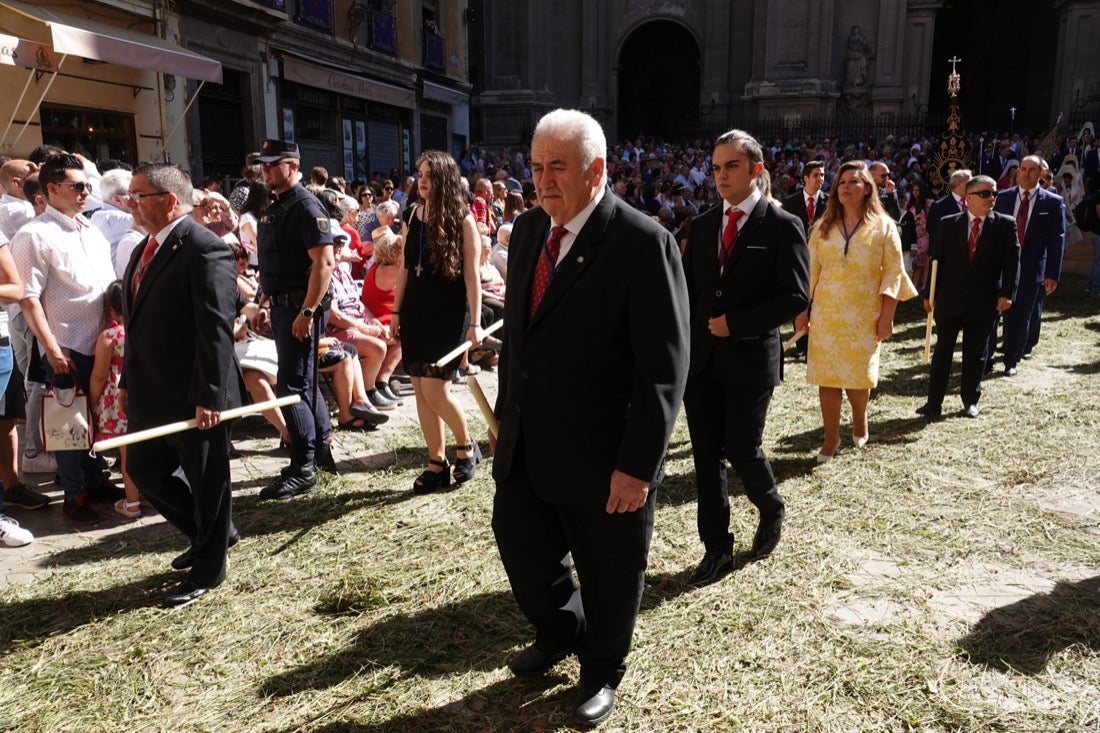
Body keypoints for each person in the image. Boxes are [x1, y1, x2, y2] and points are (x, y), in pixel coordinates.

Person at [490, 109, 689, 726]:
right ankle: (560, 629)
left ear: (596, 170)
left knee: (609, 570)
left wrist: (637, 466)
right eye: (536, 166)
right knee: (522, 546)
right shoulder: (527, 232)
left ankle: (603, 667)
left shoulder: (642, 243)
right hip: (527, 441)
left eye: (558, 167)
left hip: (604, 456)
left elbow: (664, 369)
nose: (543, 180)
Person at [682, 129, 810, 586]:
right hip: (701, 363)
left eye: (731, 166)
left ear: (756, 169)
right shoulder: (700, 226)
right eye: (715, 168)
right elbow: (690, 294)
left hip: (751, 359)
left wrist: (737, 323)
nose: (720, 176)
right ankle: (716, 547)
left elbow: (795, 295)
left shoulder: (782, 225)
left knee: (741, 447)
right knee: (705, 458)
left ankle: (770, 506)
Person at [120, 163, 242, 607]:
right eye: (130, 194)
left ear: (170, 201)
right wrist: (126, 378)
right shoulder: (144, 249)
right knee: (143, 468)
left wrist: (210, 393)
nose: (130, 202)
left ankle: (209, 570)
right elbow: (135, 324)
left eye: (139, 195)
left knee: (207, 479)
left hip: (194, 391)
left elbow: (215, 327)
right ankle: (211, 533)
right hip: (151, 387)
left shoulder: (204, 248)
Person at [12, 153, 120, 525]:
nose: (85, 192)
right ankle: (74, 497)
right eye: (78, 186)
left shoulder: (90, 229)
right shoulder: (34, 234)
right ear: (52, 189)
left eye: (88, 185)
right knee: (69, 423)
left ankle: (94, 478)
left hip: (101, 339)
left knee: (93, 416)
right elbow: (28, 297)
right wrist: (52, 348)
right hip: (67, 344)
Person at [794, 160, 917, 462]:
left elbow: (893, 273)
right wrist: (801, 311)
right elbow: (809, 271)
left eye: (854, 182)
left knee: (858, 379)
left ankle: (860, 419)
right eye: (842, 182)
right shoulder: (822, 227)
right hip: (827, 314)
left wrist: (887, 316)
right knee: (828, 378)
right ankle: (831, 438)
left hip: (865, 314)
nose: (846, 186)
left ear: (867, 189)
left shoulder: (884, 227)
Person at [392, 150, 483, 493]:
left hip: (448, 314)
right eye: (419, 173)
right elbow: (404, 266)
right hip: (415, 310)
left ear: (443, 177)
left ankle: (466, 446)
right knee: (419, 389)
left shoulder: (464, 218)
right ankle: (436, 461)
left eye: (428, 174)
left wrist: (474, 324)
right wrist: (396, 313)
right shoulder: (413, 214)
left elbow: (472, 277)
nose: (422, 180)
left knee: (436, 389)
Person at [254, 140, 336, 500]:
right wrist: (264, 298)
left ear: (291, 165)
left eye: (272, 165)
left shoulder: (304, 204)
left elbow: (325, 263)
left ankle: (303, 466)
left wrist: (307, 311)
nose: (264, 171)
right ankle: (319, 454)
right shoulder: (280, 204)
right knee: (303, 381)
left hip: (301, 307)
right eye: (263, 165)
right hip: (285, 304)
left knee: (293, 386)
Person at [917, 175, 1019, 420]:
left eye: (994, 193)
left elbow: (1012, 263)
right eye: (985, 194)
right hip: (949, 300)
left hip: (984, 302)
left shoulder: (1005, 225)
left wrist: (1007, 294)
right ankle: (934, 403)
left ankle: (970, 400)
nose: (991, 198)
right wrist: (928, 294)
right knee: (943, 353)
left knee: (976, 353)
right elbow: (936, 261)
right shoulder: (948, 224)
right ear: (969, 198)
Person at [991, 155, 1065, 376]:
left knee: (1020, 315)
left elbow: (1056, 239)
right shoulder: (1001, 198)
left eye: (1032, 170)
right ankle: (987, 357)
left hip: (1031, 269)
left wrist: (1052, 273)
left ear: (1041, 174)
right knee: (991, 314)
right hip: (1000, 268)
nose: (1026, 173)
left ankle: (1011, 360)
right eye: (1023, 168)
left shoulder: (1052, 202)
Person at [89, 280, 141, 518]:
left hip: (117, 402)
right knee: (144, 450)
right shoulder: (141, 329)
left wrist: (92, 401)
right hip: (144, 397)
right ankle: (146, 493)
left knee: (126, 454)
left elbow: (100, 375)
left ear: (110, 309)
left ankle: (132, 503)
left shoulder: (109, 337)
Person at [927, 169, 972, 244]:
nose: (972, 186)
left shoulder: (973, 203)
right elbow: (934, 232)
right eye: (969, 183)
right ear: (959, 184)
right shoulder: (939, 206)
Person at [905, 181, 932, 290]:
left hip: (926, 236)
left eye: (918, 190)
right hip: (914, 236)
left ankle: (925, 287)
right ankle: (915, 288)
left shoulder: (929, 203)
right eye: (914, 190)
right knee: (916, 263)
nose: (915, 193)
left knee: (925, 262)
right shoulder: (910, 204)